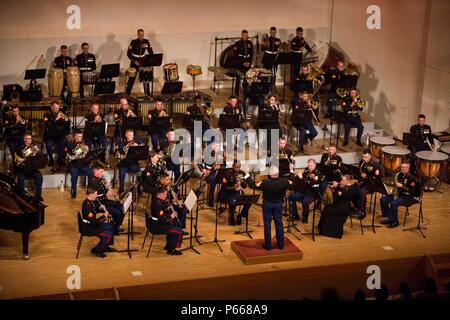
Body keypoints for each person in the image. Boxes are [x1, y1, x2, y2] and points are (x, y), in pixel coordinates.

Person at [245, 166, 293, 250]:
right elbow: (293, 184)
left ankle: (268, 246)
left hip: (267, 204)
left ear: (270, 174)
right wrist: (291, 170)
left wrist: (247, 175)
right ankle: (281, 245)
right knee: (279, 223)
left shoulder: (265, 182)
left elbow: (253, 185)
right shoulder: (284, 182)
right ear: (278, 173)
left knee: (267, 224)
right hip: (278, 204)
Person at [87, 162, 124, 235]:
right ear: (96, 171)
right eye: (101, 171)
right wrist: (106, 195)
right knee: (116, 211)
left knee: (121, 206)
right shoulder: (92, 182)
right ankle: (114, 229)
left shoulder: (101, 179)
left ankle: (115, 226)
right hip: (98, 204)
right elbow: (94, 198)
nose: (102, 173)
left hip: (104, 201)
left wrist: (109, 189)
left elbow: (104, 191)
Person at [379, 162, 419, 228]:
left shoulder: (412, 178)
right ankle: (388, 217)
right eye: (401, 167)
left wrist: (402, 186)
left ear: (408, 168)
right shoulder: (399, 175)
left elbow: (412, 192)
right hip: (399, 195)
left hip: (408, 197)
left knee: (393, 203)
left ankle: (395, 222)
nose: (402, 169)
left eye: (404, 167)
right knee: (383, 199)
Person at [81, 188, 116, 258]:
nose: (96, 196)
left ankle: (105, 246)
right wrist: (104, 216)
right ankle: (98, 250)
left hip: (92, 224)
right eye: (95, 194)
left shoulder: (90, 201)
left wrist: (100, 208)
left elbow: (94, 211)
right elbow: (93, 222)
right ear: (91, 194)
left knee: (110, 227)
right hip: (89, 227)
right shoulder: (87, 205)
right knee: (108, 235)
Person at [150, 187, 183, 255]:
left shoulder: (159, 201)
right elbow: (161, 219)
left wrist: (169, 211)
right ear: (159, 194)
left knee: (174, 225)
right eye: (164, 194)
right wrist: (171, 216)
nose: (166, 196)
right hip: (157, 226)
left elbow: (162, 213)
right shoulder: (156, 204)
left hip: (158, 223)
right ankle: (171, 249)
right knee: (179, 231)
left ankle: (169, 246)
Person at [14, 133, 43, 201]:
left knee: (39, 176)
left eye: (30, 139)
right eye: (27, 139)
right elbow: (16, 159)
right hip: (23, 170)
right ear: (24, 139)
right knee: (20, 178)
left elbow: (39, 159)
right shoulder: (19, 147)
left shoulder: (33, 147)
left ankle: (38, 196)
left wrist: (38, 152)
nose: (29, 141)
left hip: (32, 170)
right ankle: (22, 196)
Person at [43, 101, 69, 173]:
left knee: (64, 141)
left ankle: (60, 159)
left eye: (58, 108)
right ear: (52, 107)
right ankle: (51, 160)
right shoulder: (47, 115)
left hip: (59, 135)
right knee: (48, 144)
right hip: (50, 136)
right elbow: (47, 125)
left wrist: (65, 119)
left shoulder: (61, 114)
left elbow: (66, 124)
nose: (57, 109)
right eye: (55, 108)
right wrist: (56, 119)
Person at [221, 161, 251, 226]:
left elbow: (245, 187)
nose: (238, 169)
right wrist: (233, 187)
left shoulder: (242, 173)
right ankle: (231, 216)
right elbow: (224, 187)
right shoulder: (228, 173)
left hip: (239, 192)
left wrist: (242, 181)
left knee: (249, 201)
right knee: (233, 202)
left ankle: (240, 215)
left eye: (239, 167)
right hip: (230, 192)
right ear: (233, 166)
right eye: (236, 167)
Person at [126, 29, 153, 95]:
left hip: (143, 62)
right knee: (131, 79)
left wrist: (150, 60)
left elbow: (150, 52)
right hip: (134, 62)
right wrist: (134, 61)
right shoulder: (133, 42)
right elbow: (128, 54)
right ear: (137, 34)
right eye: (140, 34)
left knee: (145, 78)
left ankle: (147, 94)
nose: (141, 36)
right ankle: (127, 94)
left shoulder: (146, 42)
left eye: (143, 35)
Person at [66, 130, 91, 199]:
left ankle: (89, 189)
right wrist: (81, 149)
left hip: (83, 164)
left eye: (81, 136)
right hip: (74, 164)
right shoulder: (70, 144)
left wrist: (87, 150)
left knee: (91, 173)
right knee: (74, 175)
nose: (81, 138)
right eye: (79, 136)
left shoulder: (84, 143)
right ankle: (74, 191)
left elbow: (87, 155)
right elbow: (72, 153)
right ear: (75, 137)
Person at [116, 129, 142, 194]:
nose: (131, 137)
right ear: (126, 135)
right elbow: (118, 153)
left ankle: (139, 188)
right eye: (130, 135)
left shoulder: (135, 144)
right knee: (121, 173)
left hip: (133, 163)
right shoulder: (122, 143)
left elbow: (139, 155)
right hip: (124, 163)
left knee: (139, 172)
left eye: (132, 135)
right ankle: (121, 189)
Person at [358, 149, 381, 219]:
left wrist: (367, 176)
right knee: (353, 189)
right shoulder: (362, 162)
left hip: (371, 185)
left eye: (366, 157)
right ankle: (357, 207)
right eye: (363, 157)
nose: (364, 159)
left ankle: (362, 211)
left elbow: (377, 179)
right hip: (364, 183)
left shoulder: (375, 166)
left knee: (362, 192)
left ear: (370, 157)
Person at [233, 30, 253, 97]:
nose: (245, 37)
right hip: (240, 64)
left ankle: (246, 94)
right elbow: (236, 55)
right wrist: (243, 63)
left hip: (248, 63)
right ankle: (237, 95)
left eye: (246, 35)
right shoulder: (237, 43)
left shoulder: (249, 43)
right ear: (241, 35)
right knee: (238, 80)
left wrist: (249, 62)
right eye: (244, 35)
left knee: (248, 79)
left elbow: (251, 54)